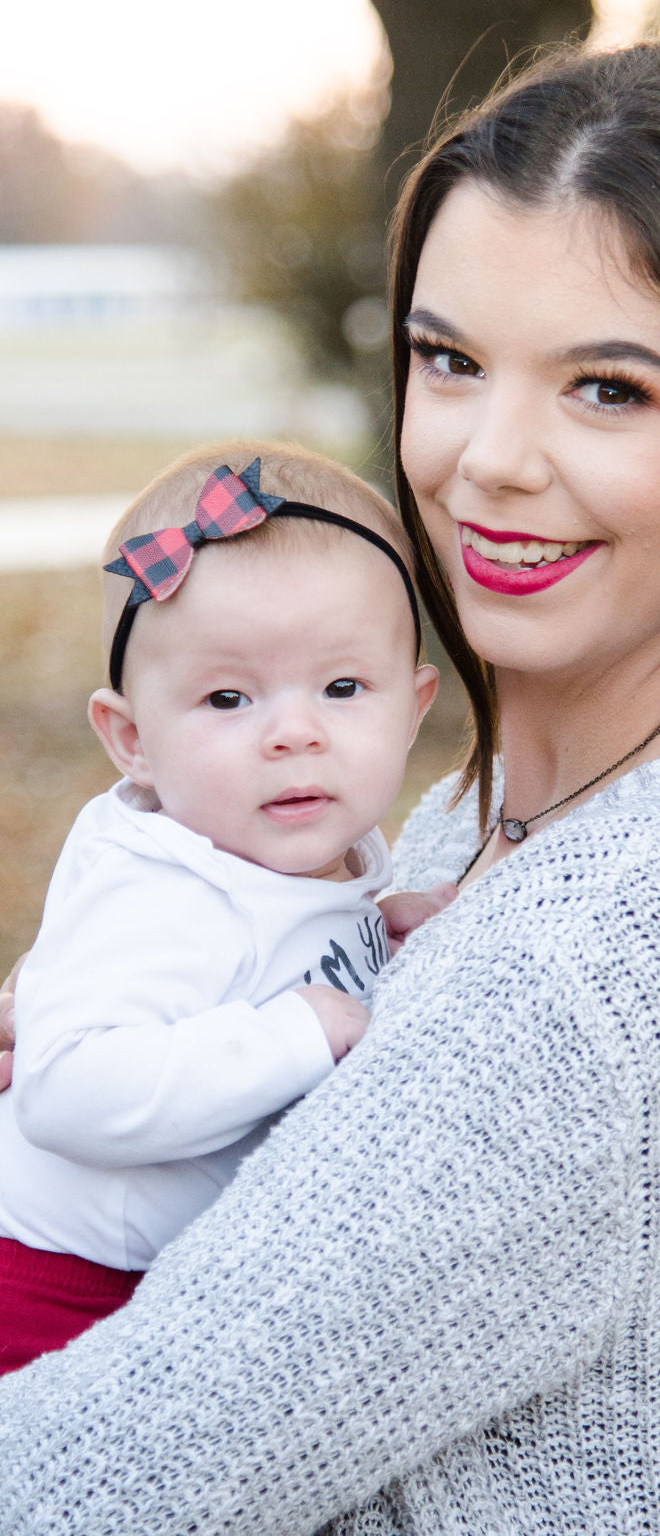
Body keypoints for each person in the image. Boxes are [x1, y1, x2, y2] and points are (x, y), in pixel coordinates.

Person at [0, 36, 660, 1535]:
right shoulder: (524, 819)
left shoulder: (584, 958)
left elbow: (80, 1487)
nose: (489, 462)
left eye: (608, 388)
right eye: (450, 360)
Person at [0, 442, 439, 1375]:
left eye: (344, 687)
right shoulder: (159, 890)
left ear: (413, 707)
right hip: (58, 1291)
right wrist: (297, 1031)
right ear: (132, 741)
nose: (293, 731)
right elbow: (64, 1089)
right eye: (228, 697)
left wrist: (382, 933)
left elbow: (284, 952)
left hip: (168, 1280)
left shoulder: (323, 852)